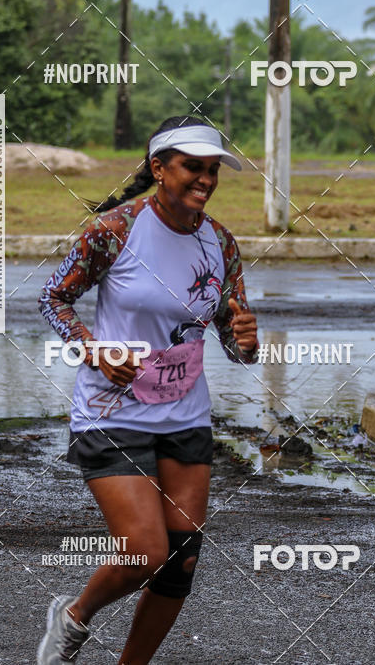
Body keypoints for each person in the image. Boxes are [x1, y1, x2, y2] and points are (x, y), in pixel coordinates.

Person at [36, 115, 258, 664]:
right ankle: (74, 618)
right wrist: (93, 348)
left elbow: (233, 340)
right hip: (112, 414)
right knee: (145, 551)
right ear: (159, 168)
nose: (205, 179)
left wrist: (247, 342)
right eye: (192, 167)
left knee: (181, 561)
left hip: (186, 415)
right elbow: (54, 297)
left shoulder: (220, 242)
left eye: (213, 169)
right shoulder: (114, 229)